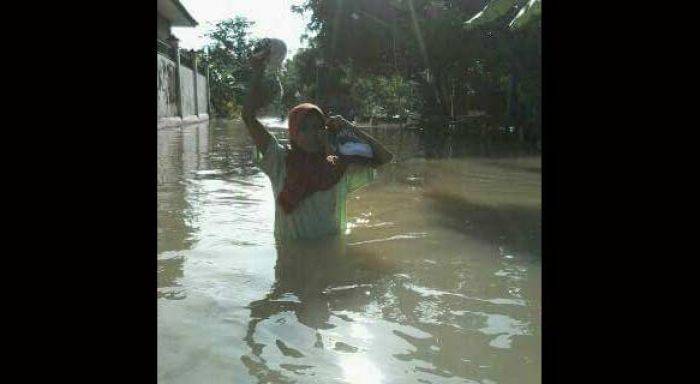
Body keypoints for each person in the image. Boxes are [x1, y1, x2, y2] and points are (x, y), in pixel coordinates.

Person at [242, 47, 393, 240]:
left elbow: (385, 158)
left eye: (317, 127)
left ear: (325, 131)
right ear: (293, 134)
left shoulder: (337, 164)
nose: (312, 133)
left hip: (331, 256)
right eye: (304, 128)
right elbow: (247, 117)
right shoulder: (279, 161)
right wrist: (257, 72)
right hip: (291, 261)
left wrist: (349, 128)